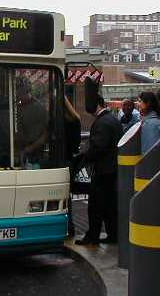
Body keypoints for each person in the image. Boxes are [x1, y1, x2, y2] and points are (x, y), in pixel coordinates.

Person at [76, 95, 122, 245]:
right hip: (113, 169)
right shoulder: (113, 119)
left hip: (103, 170)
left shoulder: (102, 122)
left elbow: (98, 147)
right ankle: (113, 234)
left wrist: (85, 157)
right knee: (110, 205)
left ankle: (92, 236)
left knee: (95, 206)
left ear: (98, 104)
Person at [15, 77, 49, 168]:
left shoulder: (39, 108)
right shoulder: (18, 107)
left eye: (19, 91)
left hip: (34, 154)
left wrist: (28, 149)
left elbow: (45, 135)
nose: (17, 94)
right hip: (20, 150)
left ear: (25, 90)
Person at [63, 96, 82, 238]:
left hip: (63, 161)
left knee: (63, 196)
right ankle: (70, 226)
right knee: (67, 195)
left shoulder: (59, 122)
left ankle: (68, 226)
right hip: (71, 161)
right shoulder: (76, 121)